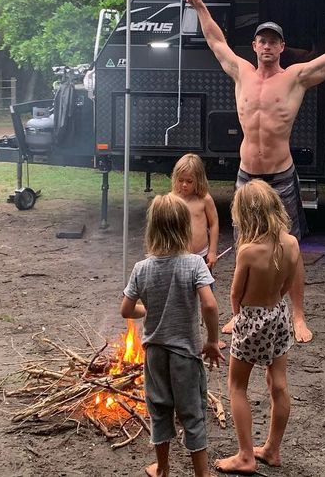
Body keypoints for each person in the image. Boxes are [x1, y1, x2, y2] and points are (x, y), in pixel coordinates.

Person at [184, 0, 325, 342]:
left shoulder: (296, 78)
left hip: (280, 175)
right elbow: (216, 40)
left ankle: (297, 315)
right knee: (245, 241)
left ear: (282, 47)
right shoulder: (240, 72)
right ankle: (240, 313)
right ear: (254, 46)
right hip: (247, 176)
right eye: (261, 40)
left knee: (290, 246)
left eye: (273, 41)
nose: (267, 46)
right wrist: (201, 7)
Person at [121, 193, 224, 477]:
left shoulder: (142, 269)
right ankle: (201, 474)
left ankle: (163, 467)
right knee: (192, 413)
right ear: (184, 228)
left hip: (155, 354)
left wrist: (147, 308)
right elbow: (210, 304)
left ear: (152, 228)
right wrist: (213, 340)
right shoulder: (193, 264)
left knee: (159, 409)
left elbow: (126, 309)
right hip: (185, 355)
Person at [215, 179, 300, 475]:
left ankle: (245, 456)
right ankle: (273, 450)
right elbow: (289, 284)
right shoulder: (291, 242)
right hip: (278, 315)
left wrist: (237, 317)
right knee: (278, 384)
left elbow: (236, 293)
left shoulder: (249, 251)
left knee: (237, 386)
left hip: (252, 319)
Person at [172, 153, 219, 268]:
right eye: (180, 180)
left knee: (204, 286)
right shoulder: (172, 199)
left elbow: (214, 223)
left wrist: (212, 251)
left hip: (201, 256)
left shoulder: (204, 199)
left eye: (189, 181)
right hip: (177, 257)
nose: (184, 185)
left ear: (198, 180)